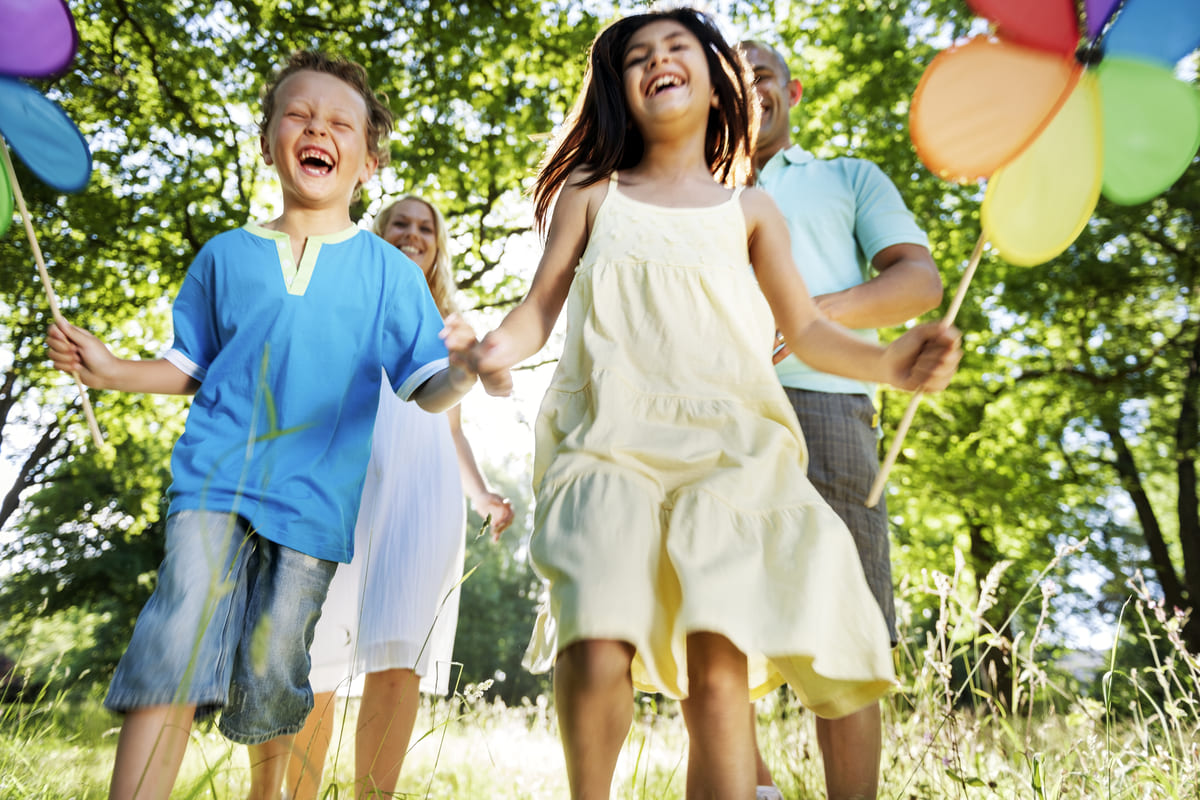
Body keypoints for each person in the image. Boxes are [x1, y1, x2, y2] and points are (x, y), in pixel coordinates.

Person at [463, 9, 961, 799]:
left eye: (677, 47)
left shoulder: (752, 211)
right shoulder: (593, 195)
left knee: (720, 669)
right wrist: (492, 348)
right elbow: (537, 310)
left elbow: (803, 329)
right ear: (619, 91)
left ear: (715, 79)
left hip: (730, 454)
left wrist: (891, 362)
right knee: (595, 639)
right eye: (638, 56)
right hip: (609, 443)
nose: (658, 60)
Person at [46, 51, 507, 800]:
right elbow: (190, 364)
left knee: (273, 677)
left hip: (314, 512)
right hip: (215, 483)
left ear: (368, 161)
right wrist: (111, 368)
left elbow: (428, 391)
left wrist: (470, 368)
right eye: (298, 114)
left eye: (339, 122)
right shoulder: (224, 257)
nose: (316, 128)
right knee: (175, 640)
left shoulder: (389, 276)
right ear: (268, 141)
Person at [737, 38, 945, 800]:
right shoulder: (685, 189)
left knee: (847, 617)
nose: (747, 85)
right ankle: (750, 787)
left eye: (762, 73)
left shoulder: (847, 177)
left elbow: (919, 279)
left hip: (826, 399)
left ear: (791, 93)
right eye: (732, 74)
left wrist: (816, 312)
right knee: (710, 611)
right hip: (711, 408)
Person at [282, 195, 515, 800]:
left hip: (425, 488)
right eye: (400, 224)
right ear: (377, 234)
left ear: (438, 246)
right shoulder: (341, 296)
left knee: (399, 655)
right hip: (346, 479)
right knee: (317, 651)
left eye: (426, 228)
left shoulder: (450, 325)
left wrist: (485, 494)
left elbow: (454, 430)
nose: (413, 235)